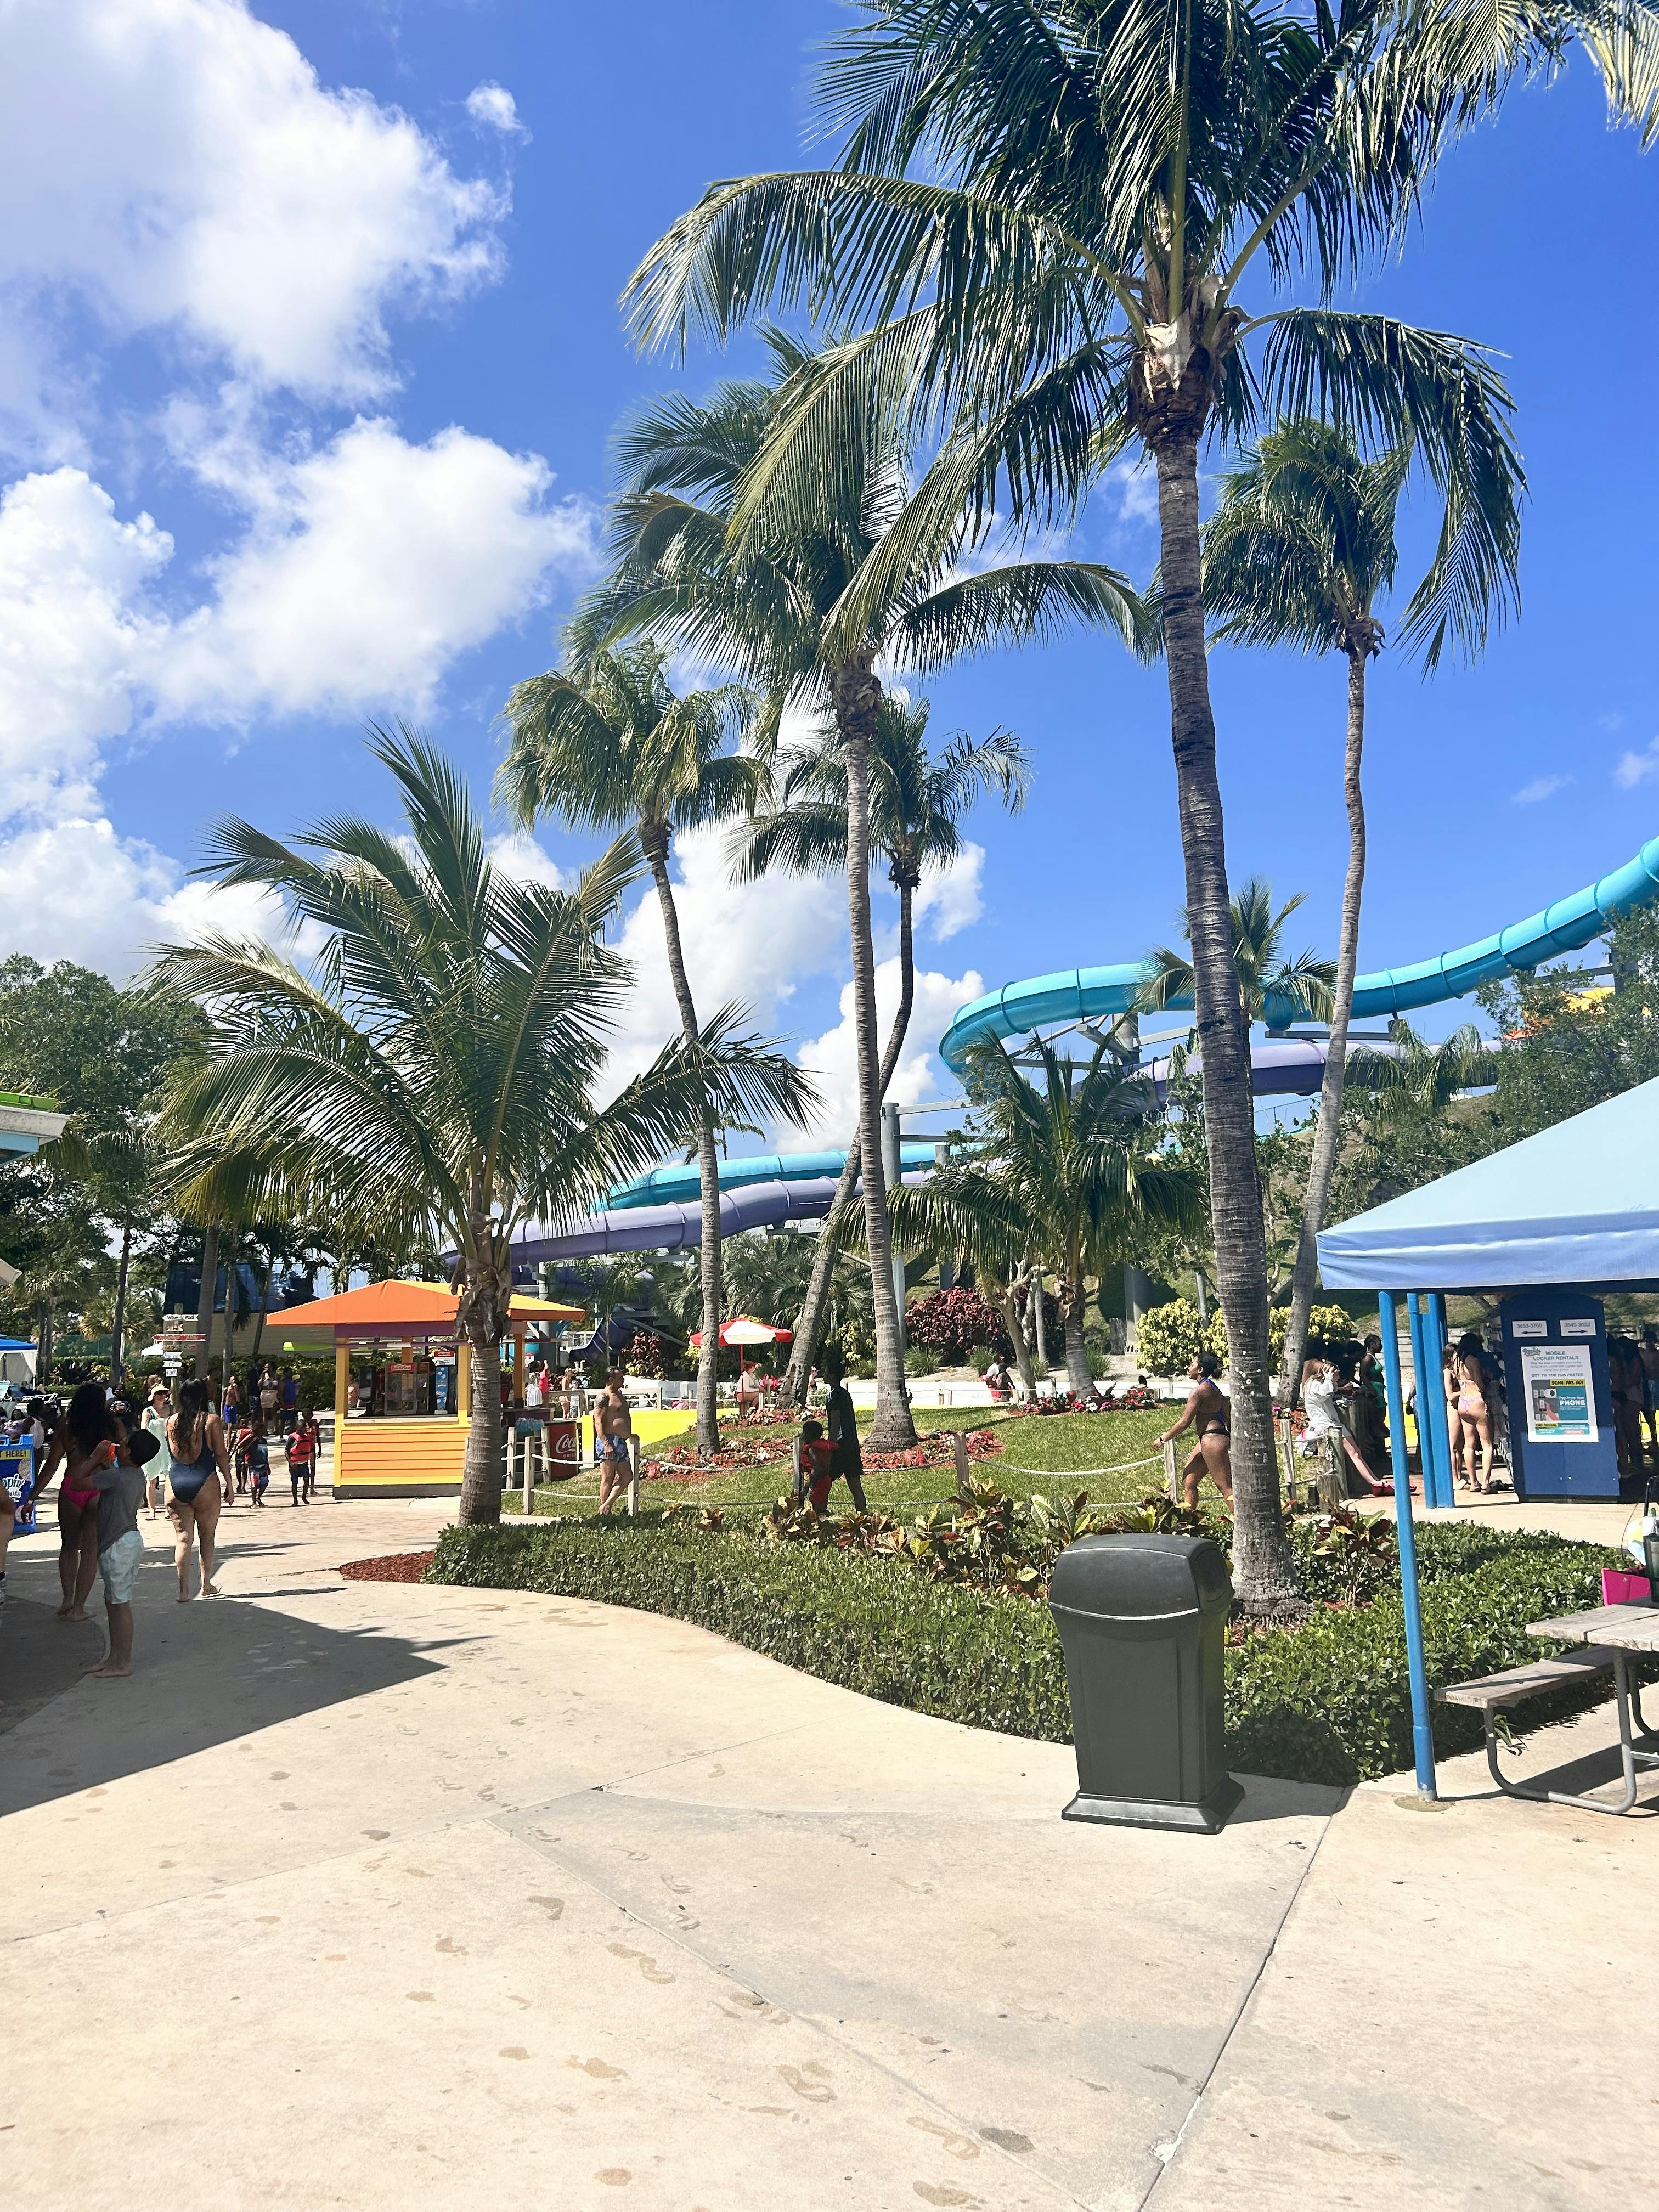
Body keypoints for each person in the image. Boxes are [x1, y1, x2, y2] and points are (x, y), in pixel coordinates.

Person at [41, 1380, 120, 1622]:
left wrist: (33, 1495)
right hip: (99, 1487)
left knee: (69, 1547)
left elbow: (52, 1465)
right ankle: (79, 1606)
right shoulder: (111, 1427)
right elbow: (124, 1458)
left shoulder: (67, 1428)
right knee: (90, 1551)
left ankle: (67, 1600)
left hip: (73, 1487)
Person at [86, 1425, 159, 1679]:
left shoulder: (116, 1476)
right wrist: (108, 1464)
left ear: (127, 1452)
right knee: (114, 1602)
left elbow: (76, 1483)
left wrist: (95, 1458)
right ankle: (114, 1657)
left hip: (118, 1544)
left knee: (120, 1604)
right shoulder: (136, 1474)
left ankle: (122, 1662)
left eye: (124, 1443)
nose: (119, 1445)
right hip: (125, 1541)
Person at [165, 1378, 232, 1600]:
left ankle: (183, 1591)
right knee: (207, 1536)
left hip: (175, 1482)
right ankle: (205, 1585)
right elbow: (221, 1455)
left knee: (183, 1539)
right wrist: (230, 1485)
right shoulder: (211, 1421)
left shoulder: (170, 1421)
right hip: (204, 1482)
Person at [1301, 1349, 1392, 1497]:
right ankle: (1373, 1482)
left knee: (1357, 1453)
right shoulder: (1314, 1385)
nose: (1338, 1378)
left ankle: (1374, 1481)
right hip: (1327, 1425)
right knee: (1354, 1453)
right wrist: (1329, 1378)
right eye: (1336, 1375)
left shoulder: (1318, 1384)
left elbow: (1330, 1394)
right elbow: (1325, 1393)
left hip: (1332, 1423)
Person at [1160, 1352, 1234, 1511]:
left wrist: (1163, 1439)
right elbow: (1228, 1417)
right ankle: (1189, 1521)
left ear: (1200, 1370)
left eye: (1192, 1365)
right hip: (1209, 1440)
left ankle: (1241, 1521)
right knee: (1189, 1481)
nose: (1188, 1368)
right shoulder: (1215, 1390)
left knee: (1226, 1487)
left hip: (1211, 1440)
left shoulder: (1198, 1392)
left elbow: (1184, 1422)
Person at [819, 1351, 868, 1513]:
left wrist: (830, 1446)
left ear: (832, 1376)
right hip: (851, 1444)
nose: (824, 1375)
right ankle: (863, 1516)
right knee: (855, 1486)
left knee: (823, 1482)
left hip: (840, 1446)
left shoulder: (833, 1396)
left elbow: (835, 1423)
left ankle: (819, 1514)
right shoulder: (845, 1394)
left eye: (826, 1372)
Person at [1449, 1333, 1498, 1493]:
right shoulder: (1473, 1361)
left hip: (1463, 1403)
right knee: (1487, 1445)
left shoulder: (1456, 1361)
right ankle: (1485, 1484)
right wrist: (1488, 1378)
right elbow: (1480, 1385)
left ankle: (1473, 1482)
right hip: (1477, 1401)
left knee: (1469, 1444)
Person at [596, 1371, 634, 1515]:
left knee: (627, 1476)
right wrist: (606, 1443)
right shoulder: (604, 1397)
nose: (623, 1379)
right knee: (608, 1478)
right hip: (609, 1440)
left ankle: (607, 1505)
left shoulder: (620, 1395)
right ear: (611, 1380)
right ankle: (605, 1513)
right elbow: (598, 1422)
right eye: (620, 1378)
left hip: (621, 1442)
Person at [142, 1384, 173, 1519]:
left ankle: (168, 1509)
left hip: (168, 1448)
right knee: (151, 1480)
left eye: (164, 1393)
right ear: (154, 1396)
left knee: (169, 1479)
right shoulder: (148, 1412)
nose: (162, 1396)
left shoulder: (171, 1409)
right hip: (153, 1449)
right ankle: (152, 1510)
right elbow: (143, 1431)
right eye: (159, 1393)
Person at [799, 1419, 837, 1511]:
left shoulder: (812, 1450)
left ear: (810, 1435)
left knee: (815, 1509)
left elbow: (817, 1470)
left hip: (819, 1481)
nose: (803, 1435)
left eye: (805, 1433)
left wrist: (807, 1486)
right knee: (821, 1505)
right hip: (825, 1480)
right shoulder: (820, 1448)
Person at [287, 1409, 318, 1503]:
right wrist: (290, 1462)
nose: (304, 1430)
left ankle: (304, 1496)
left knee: (306, 1479)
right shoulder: (292, 1438)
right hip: (295, 1464)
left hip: (304, 1463)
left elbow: (312, 1444)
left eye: (305, 1428)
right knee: (295, 1482)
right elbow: (286, 1451)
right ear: (297, 1428)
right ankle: (295, 1500)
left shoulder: (307, 1437)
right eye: (302, 1428)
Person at [1640, 1325, 1659, 1463]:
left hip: (1657, 1383)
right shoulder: (1641, 1353)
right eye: (1647, 1341)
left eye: (1651, 1341)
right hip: (1647, 1385)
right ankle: (1654, 1440)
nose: (1649, 1344)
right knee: (1649, 1413)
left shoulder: (1657, 1354)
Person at [246, 1418, 271, 1507]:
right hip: (254, 1466)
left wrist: (268, 1465)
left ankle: (258, 1497)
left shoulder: (264, 1441)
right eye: (263, 1430)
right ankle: (254, 1502)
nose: (265, 1431)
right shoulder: (253, 1441)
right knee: (254, 1485)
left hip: (263, 1466)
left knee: (265, 1483)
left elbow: (266, 1454)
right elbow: (246, 1450)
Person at [279, 1364, 298, 1434]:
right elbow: (280, 1394)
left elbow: (294, 1393)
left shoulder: (292, 1382)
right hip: (285, 1404)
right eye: (289, 1373)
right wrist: (283, 1404)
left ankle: (292, 1434)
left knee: (293, 1420)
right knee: (283, 1420)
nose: (290, 1374)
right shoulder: (282, 1382)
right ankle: (281, 1436)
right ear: (285, 1374)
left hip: (292, 1404)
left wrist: (295, 1403)